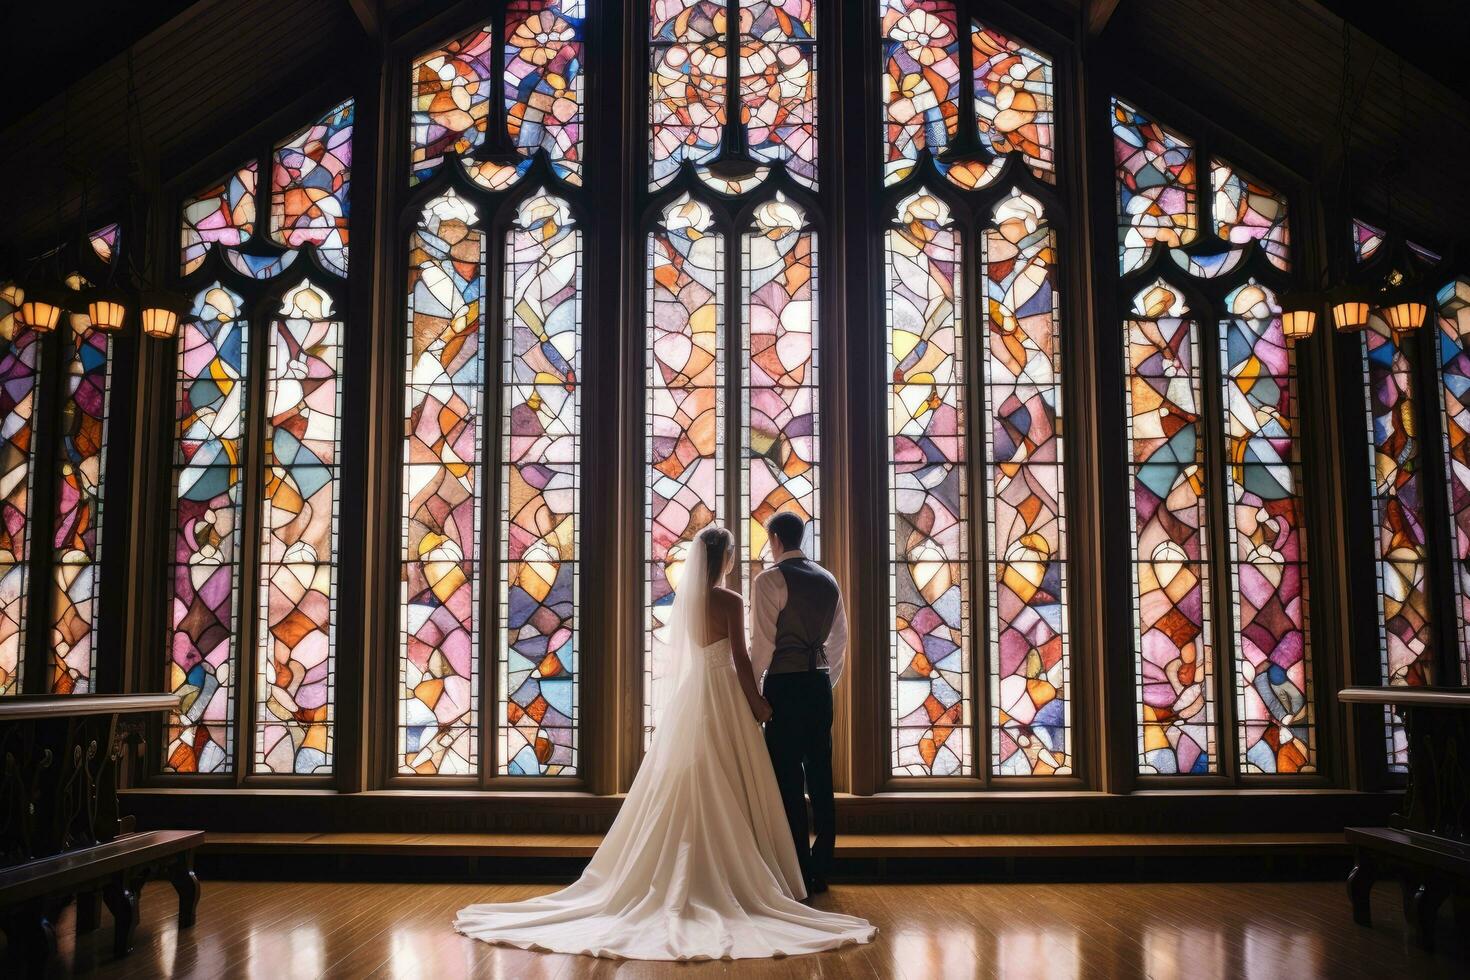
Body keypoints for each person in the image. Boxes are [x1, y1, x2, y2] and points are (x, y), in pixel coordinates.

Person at [454, 525, 875, 960]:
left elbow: (744, 649)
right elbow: (749, 654)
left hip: (698, 693)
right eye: (731, 554)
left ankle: (716, 866)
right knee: (788, 774)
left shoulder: (687, 602)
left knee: (701, 770)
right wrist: (756, 699)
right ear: (725, 559)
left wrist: (764, 694)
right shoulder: (766, 592)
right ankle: (800, 870)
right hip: (782, 687)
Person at [750, 512, 845, 894]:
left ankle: (797, 869)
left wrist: (754, 693)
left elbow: (762, 643)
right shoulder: (828, 579)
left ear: (774, 537)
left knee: (788, 777)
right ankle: (822, 867)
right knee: (821, 775)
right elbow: (839, 642)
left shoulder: (769, 580)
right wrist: (825, 681)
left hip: (784, 686)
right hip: (818, 684)